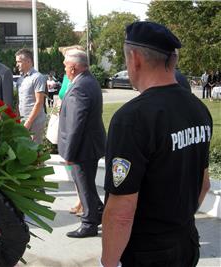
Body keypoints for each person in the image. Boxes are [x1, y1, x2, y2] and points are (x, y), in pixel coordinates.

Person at [101, 21, 212, 267]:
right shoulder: (198, 109)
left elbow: (121, 213)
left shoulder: (132, 119)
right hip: (185, 242)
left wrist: (107, 264)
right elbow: (204, 184)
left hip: (147, 253)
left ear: (135, 58)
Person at [58, 49, 106, 238]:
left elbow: (76, 123)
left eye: (65, 63)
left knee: (84, 186)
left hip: (83, 148)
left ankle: (89, 224)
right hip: (87, 145)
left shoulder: (81, 86)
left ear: (74, 67)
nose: (63, 66)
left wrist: (69, 154)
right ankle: (99, 211)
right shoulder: (86, 80)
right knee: (86, 185)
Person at [15, 48, 47, 144]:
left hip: (35, 121)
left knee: (36, 151)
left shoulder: (37, 77)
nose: (17, 65)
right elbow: (19, 101)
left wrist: (29, 122)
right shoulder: (20, 79)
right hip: (23, 120)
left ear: (28, 61)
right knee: (25, 150)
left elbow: (39, 102)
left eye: (19, 62)